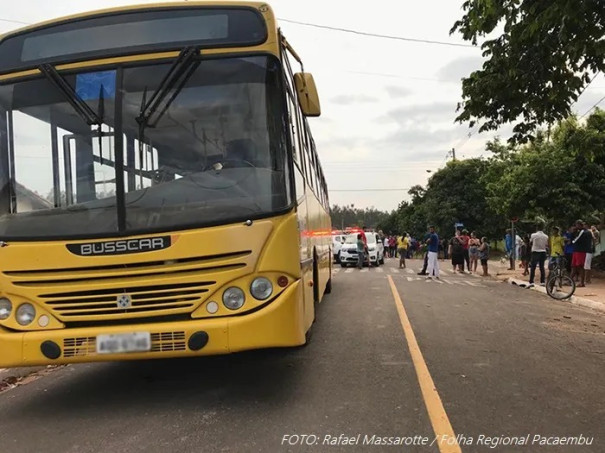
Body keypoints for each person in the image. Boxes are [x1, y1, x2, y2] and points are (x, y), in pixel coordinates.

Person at [571, 220, 591, 287]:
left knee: (580, 266)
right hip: (577, 250)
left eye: (577, 225)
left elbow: (574, 241)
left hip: (580, 251)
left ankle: (582, 282)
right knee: (574, 266)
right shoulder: (582, 232)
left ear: (580, 225)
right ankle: (570, 279)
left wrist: (573, 233)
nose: (576, 226)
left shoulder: (583, 232)